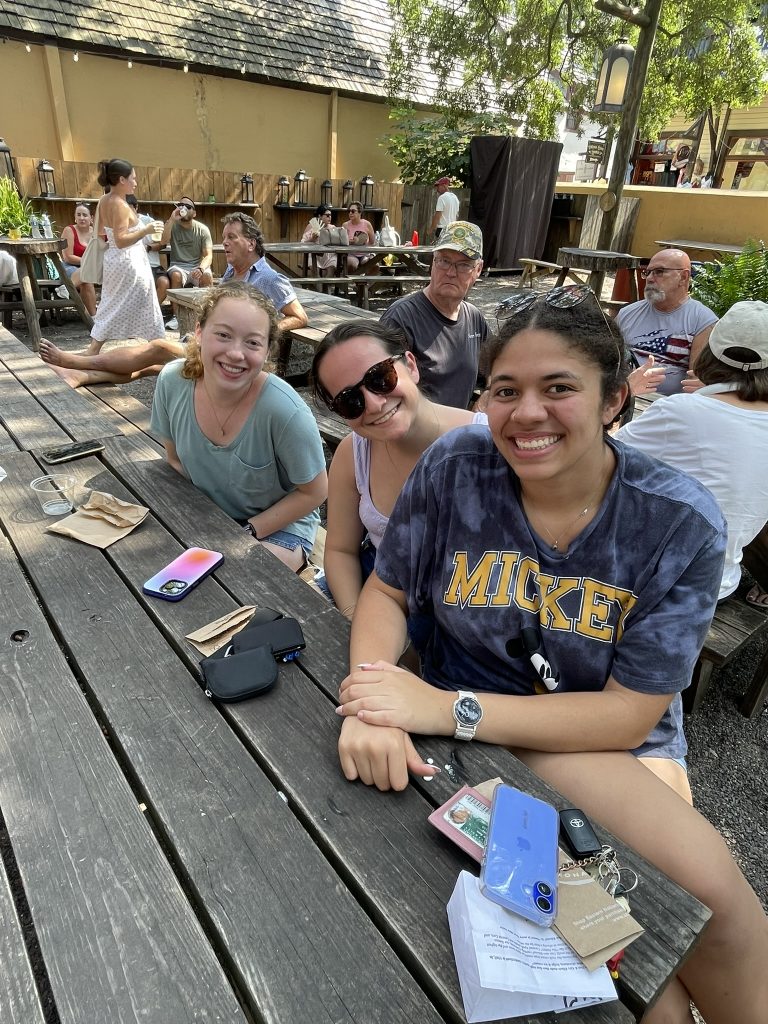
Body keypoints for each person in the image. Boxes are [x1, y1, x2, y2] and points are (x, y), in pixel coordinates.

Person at [334, 287, 768, 1024]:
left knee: (715, 905)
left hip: (603, 737)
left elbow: (630, 715)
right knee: (648, 999)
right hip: (462, 724)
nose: (524, 412)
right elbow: (388, 591)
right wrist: (371, 697)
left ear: (613, 400)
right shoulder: (457, 466)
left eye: (558, 387)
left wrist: (447, 709)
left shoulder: (676, 521)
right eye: (505, 390)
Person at [310, 320, 486, 618]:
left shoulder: (488, 445)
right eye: (350, 400)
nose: (375, 404)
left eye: (380, 377)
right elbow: (341, 551)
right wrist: (355, 616)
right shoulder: (353, 454)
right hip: (379, 596)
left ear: (411, 366)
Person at [149, 282, 327, 571]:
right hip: (209, 516)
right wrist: (203, 523)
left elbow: (315, 492)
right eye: (223, 335)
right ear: (199, 333)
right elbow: (175, 461)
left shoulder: (284, 410)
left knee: (236, 577)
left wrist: (245, 532)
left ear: (268, 350)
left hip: (276, 527)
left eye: (253, 342)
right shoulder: (172, 381)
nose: (235, 353)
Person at [40, 212, 308, 387]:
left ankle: (76, 361)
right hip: (208, 344)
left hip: (229, 355)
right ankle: (81, 375)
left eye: (231, 238)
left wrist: (264, 332)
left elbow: (299, 316)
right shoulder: (230, 272)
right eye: (223, 237)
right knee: (153, 366)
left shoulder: (269, 278)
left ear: (251, 243)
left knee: (158, 346)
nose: (224, 243)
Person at [618, 299, 768, 605]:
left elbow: (596, 460)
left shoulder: (682, 411)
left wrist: (623, 393)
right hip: (718, 583)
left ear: (710, 353)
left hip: (647, 581)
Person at [380, 221, 488, 409]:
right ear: (433, 262)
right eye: (444, 261)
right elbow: (384, 395)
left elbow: (497, 372)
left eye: (463, 265)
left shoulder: (474, 319)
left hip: (460, 433)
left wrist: (484, 401)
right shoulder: (401, 318)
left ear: (478, 269)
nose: (451, 272)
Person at [87, 158, 165, 355]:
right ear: (122, 180)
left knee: (110, 304)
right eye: (133, 178)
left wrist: (111, 243)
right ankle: (160, 346)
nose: (136, 183)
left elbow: (99, 233)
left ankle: (94, 348)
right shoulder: (120, 205)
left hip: (114, 260)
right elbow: (121, 241)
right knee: (147, 303)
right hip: (129, 261)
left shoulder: (104, 200)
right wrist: (146, 229)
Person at [617, 248, 717, 397]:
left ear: (683, 277)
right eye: (648, 272)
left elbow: (696, 382)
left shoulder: (703, 321)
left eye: (659, 272)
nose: (650, 278)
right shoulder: (627, 313)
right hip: (624, 397)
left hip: (667, 406)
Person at [159, 196, 214, 327]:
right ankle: (177, 317)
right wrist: (172, 219)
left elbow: (208, 255)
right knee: (176, 275)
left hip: (196, 265)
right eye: (180, 205)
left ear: (194, 213)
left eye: (188, 207)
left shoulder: (202, 229)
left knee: (206, 275)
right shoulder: (172, 225)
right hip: (178, 265)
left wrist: (201, 268)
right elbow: (162, 241)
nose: (183, 208)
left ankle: (208, 315)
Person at [126, 193, 170, 299]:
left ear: (136, 207)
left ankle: (154, 313)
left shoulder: (148, 221)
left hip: (152, 265)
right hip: (131, 266)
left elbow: (162, 244)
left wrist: (148, 248)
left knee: (164, 283)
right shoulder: (120, 224)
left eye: (129, 208)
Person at [60, 203, 97, 316]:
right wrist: (88, 262)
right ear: (75, 217)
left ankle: (65, 289)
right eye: (79, 215)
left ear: (91, 218)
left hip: (91, 268)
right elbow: (67, 257)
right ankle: (94, 317)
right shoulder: (69, 230)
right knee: (87, 279)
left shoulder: (96, 232)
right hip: (70, 266)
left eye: (85, 215)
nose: (81, 218)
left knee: (87, 278)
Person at [301, 204, 336, 276]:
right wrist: (312, 239)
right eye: (327, 215)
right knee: (315, 271)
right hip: (314, 254)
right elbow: (302, 243)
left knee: (331, 270)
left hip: (329, 255)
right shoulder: (312, 225)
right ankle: (318, 287)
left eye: (330, 215)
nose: (329, 217)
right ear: (320, 216)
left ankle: (325, 286)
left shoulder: (333, 227)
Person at [341, 202, 375, 272]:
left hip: (365, 253)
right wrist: (351, 242)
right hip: (351, 253)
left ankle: (365, 282)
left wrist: (364, 242)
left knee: (375, 265)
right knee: (351, 264)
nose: (350, 213)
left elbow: (372, 242)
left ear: (360, 212)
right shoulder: (345, 225)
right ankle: (353, 281)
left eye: (353, 211)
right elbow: (342, 242)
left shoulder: (367, 224)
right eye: (349, 211)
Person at [429, 176, 459, 240]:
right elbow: (456, 215)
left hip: (442, 230)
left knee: (440, 249)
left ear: (444, 185)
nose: (437, 189)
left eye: (438, 186)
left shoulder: (442, 198)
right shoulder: (455, 198)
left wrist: (431, 229)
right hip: (452, 230)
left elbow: (438, 215)